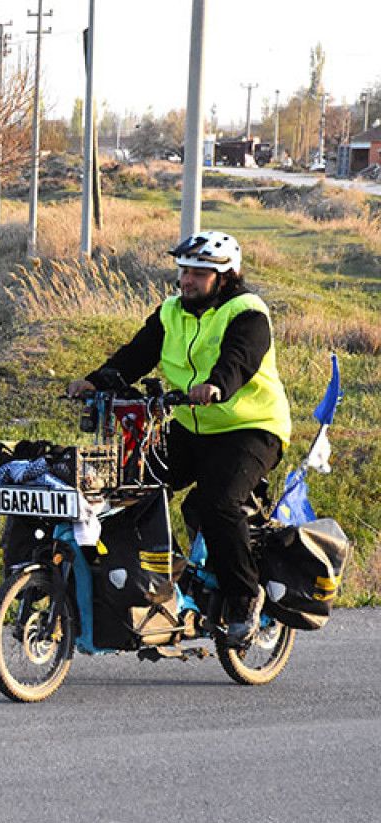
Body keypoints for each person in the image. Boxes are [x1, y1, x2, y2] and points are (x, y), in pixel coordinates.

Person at [67, 231, 291, 645]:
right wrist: (96, 381)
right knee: (134, 489)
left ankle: (244, 599)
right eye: (184, 271)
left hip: (250, 428)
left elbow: (239, 360)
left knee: (217, 503)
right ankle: (151, 582)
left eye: (198, 274)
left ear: (224, 277)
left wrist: (217, 385)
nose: (187, 280)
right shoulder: (171, 311)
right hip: (191, 426)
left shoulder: (247, 313)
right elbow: (136, 354)